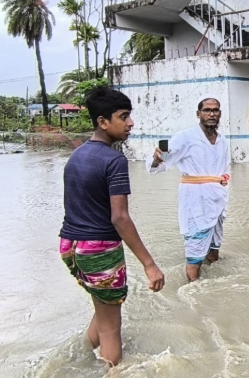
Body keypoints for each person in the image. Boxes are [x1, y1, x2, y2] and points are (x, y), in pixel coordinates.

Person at [58, 86, 165, 366]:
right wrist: (149, 264)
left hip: (70, 245)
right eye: (124, 117)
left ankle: (74, 362)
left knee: (103, 307)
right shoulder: (115, 161)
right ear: (103, 122)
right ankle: (111, 370)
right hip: (99, 249)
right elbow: (120, 218)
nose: (130, 123)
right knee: (111, 329)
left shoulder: (77, 156)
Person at [148, 98, 231, 282]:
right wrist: (157, 159)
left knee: (214, 249)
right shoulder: (185, 137)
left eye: (216, 110)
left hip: (218, 199)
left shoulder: (222, 140)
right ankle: (194, 290)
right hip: (196, 202)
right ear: (198, 114)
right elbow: (161, 162)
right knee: (194, 255)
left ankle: (212, 281)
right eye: (207, 110)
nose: (212, 114)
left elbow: (225, 170)